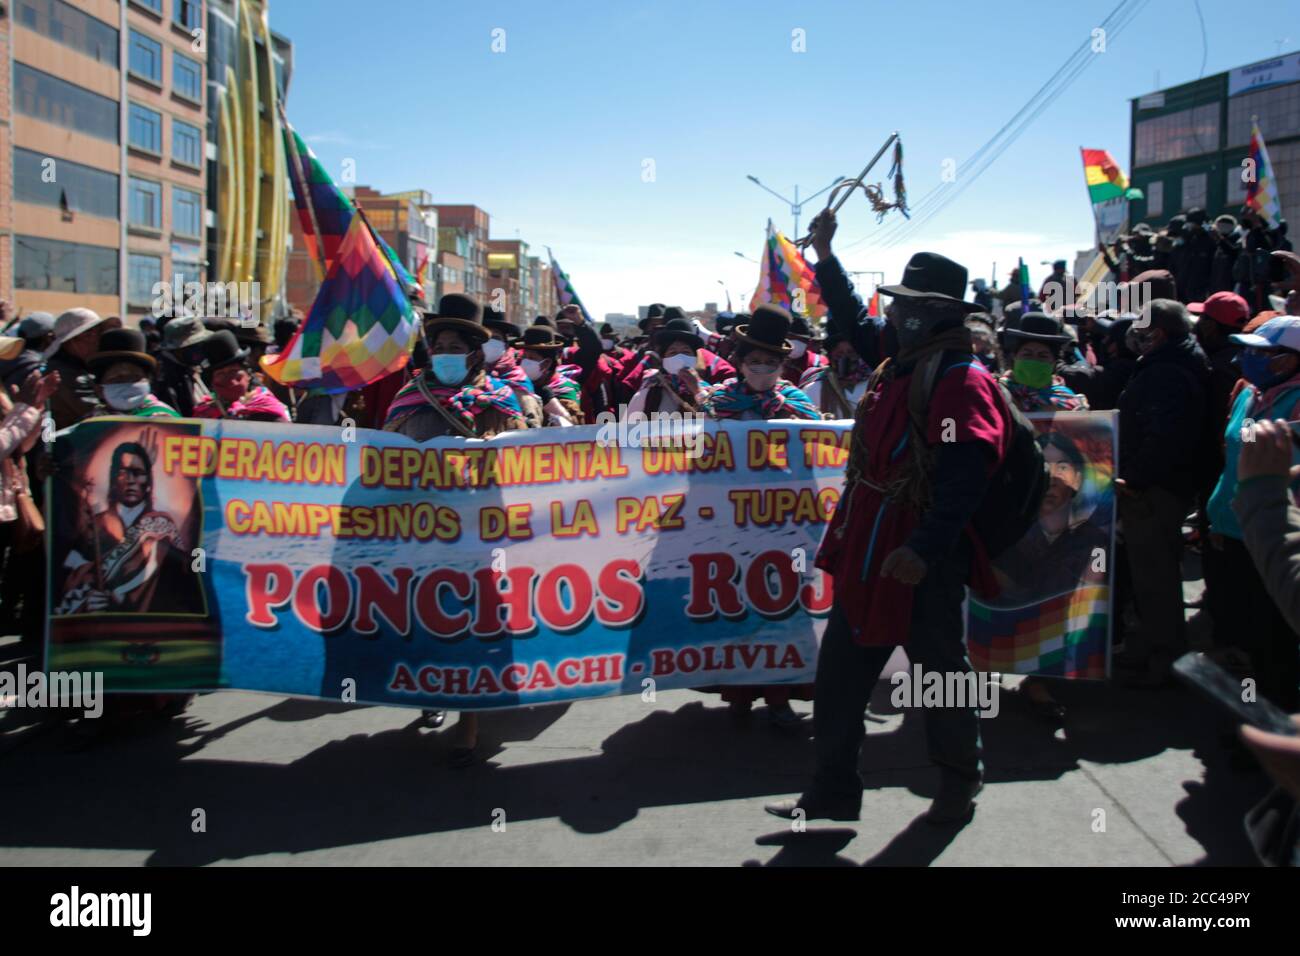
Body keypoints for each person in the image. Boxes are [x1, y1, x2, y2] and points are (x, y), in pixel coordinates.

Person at [766, 249, 1012, 825]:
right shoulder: (904, 361)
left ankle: (959, 780)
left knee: (941, 673)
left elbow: (965, 478)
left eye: (905, 307)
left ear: (934, 313)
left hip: (920, 558)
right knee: (841, 678)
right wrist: (826, 256)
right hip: (872, 548)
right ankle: (831, 791)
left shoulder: (958, 380)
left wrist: (922, 549)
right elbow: (851, 320)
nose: (892, 316)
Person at [382, 294, 526, 767]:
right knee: (428, 616)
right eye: (437, 343)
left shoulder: (501, 400)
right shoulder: (407, 399)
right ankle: (432, 689)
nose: (443, 351)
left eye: (453, 344)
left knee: (476, 623)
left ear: (471, 352)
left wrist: (493, 447)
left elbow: (529, 460)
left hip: (481, 532)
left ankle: (470, 717)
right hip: (424, 530)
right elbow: (387, 459)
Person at [697, 305, 817, 727]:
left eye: (770, 362)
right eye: (754, 361)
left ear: (783, 365)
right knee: (737, 604)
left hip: (786, 521)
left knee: (783, 607)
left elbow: (820, 452)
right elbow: (700, 457)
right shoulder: (717, 403)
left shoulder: (799, 404)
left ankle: (781, 696)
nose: (762, 368)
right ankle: (739, 693)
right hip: (733, 521)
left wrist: (786, 418)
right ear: (740, 362)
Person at [1204, 317, 1300, 711]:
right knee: (1238, 636)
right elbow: (1234, 447)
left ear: (1289, 360)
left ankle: (1273, 722)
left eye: (1260, 352)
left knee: (1271, 641)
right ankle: (1244, 713)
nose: (1247, 358)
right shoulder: (1248, 394)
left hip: (1272, 538)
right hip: (1229, 528)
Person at [1114, 299, 1211, 687]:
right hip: (1168, 486)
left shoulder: (1166, 371)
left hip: (1154, 492)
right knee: (1154, 575)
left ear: (1158, 334)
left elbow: (1164, 437)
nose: (1136, 340)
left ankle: (1167, 663)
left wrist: (1134, 479)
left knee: (1154, 578)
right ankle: (1160, 652)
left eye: (1142, 332)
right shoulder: (1181, 361)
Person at [54, 433, 202, 615]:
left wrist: (121, 598)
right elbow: (72, 572)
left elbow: (182, 575)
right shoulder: (96, 524)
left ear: (148, 481)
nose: (131, 480)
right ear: (114, 478)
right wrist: (90, 599)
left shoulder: (161, 526)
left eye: (138, 473)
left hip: (148, 621)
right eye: (124, 472)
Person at [384, 294, 527, 443]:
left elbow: (521, 454)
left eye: (455, 348)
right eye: (439, 348)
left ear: (476, 355)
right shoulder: (410, 399)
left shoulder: (500, 399)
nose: (445, 354)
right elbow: (386, 453)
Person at [193, 331, 291, 423]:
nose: (229, 379)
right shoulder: (204, 415)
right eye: (220, 374)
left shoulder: (266, 407)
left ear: (247, 374)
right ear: (212, 381)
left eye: (233, 371)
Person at [999, 313, 1089, 412]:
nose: (1034, 360)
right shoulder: (998, 392)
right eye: (1027, 354)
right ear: (1014, 357)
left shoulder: (1070, 402)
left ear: (1054, 362)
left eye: (1043, 356)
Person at [626, 316, 712, 416]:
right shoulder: (648, 393)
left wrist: (697, 390)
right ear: (663, 359)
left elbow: (718, 421)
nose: (680, 357)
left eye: (686, 352)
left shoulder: (709, 391)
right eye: (673, 352)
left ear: (695, 358)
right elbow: (628, 429)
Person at [88, 329, 179, 418]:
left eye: (135, 377)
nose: (127, 383)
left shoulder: (166, 420)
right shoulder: (91, 425)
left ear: (149, 382)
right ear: (99, 390)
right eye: (117, 378)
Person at [46, 308, 108, 430]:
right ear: (69, 341)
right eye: (88, 335)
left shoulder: (80, 367)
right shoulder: (63, 374)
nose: (95, 340)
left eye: (98, 333)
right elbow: (98, 415)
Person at [519, 324, 585, 426]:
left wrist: (545, 397)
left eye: (532, 358)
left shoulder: (565, 391)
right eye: (524, 357)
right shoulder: (521, 385)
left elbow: (569, 425)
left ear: (546, 363)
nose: (525, 362)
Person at [154, 316, 213, 417]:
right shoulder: (166, 378)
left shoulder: (191, 368)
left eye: (202, 344)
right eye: (195, 346)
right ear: (177, 349)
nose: (201, 350)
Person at [782, 315, 828, 384]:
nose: (795, 342)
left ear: (809, 342)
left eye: (801, 339)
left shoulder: (819, 362)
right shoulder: (775, 360)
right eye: (791, 338)